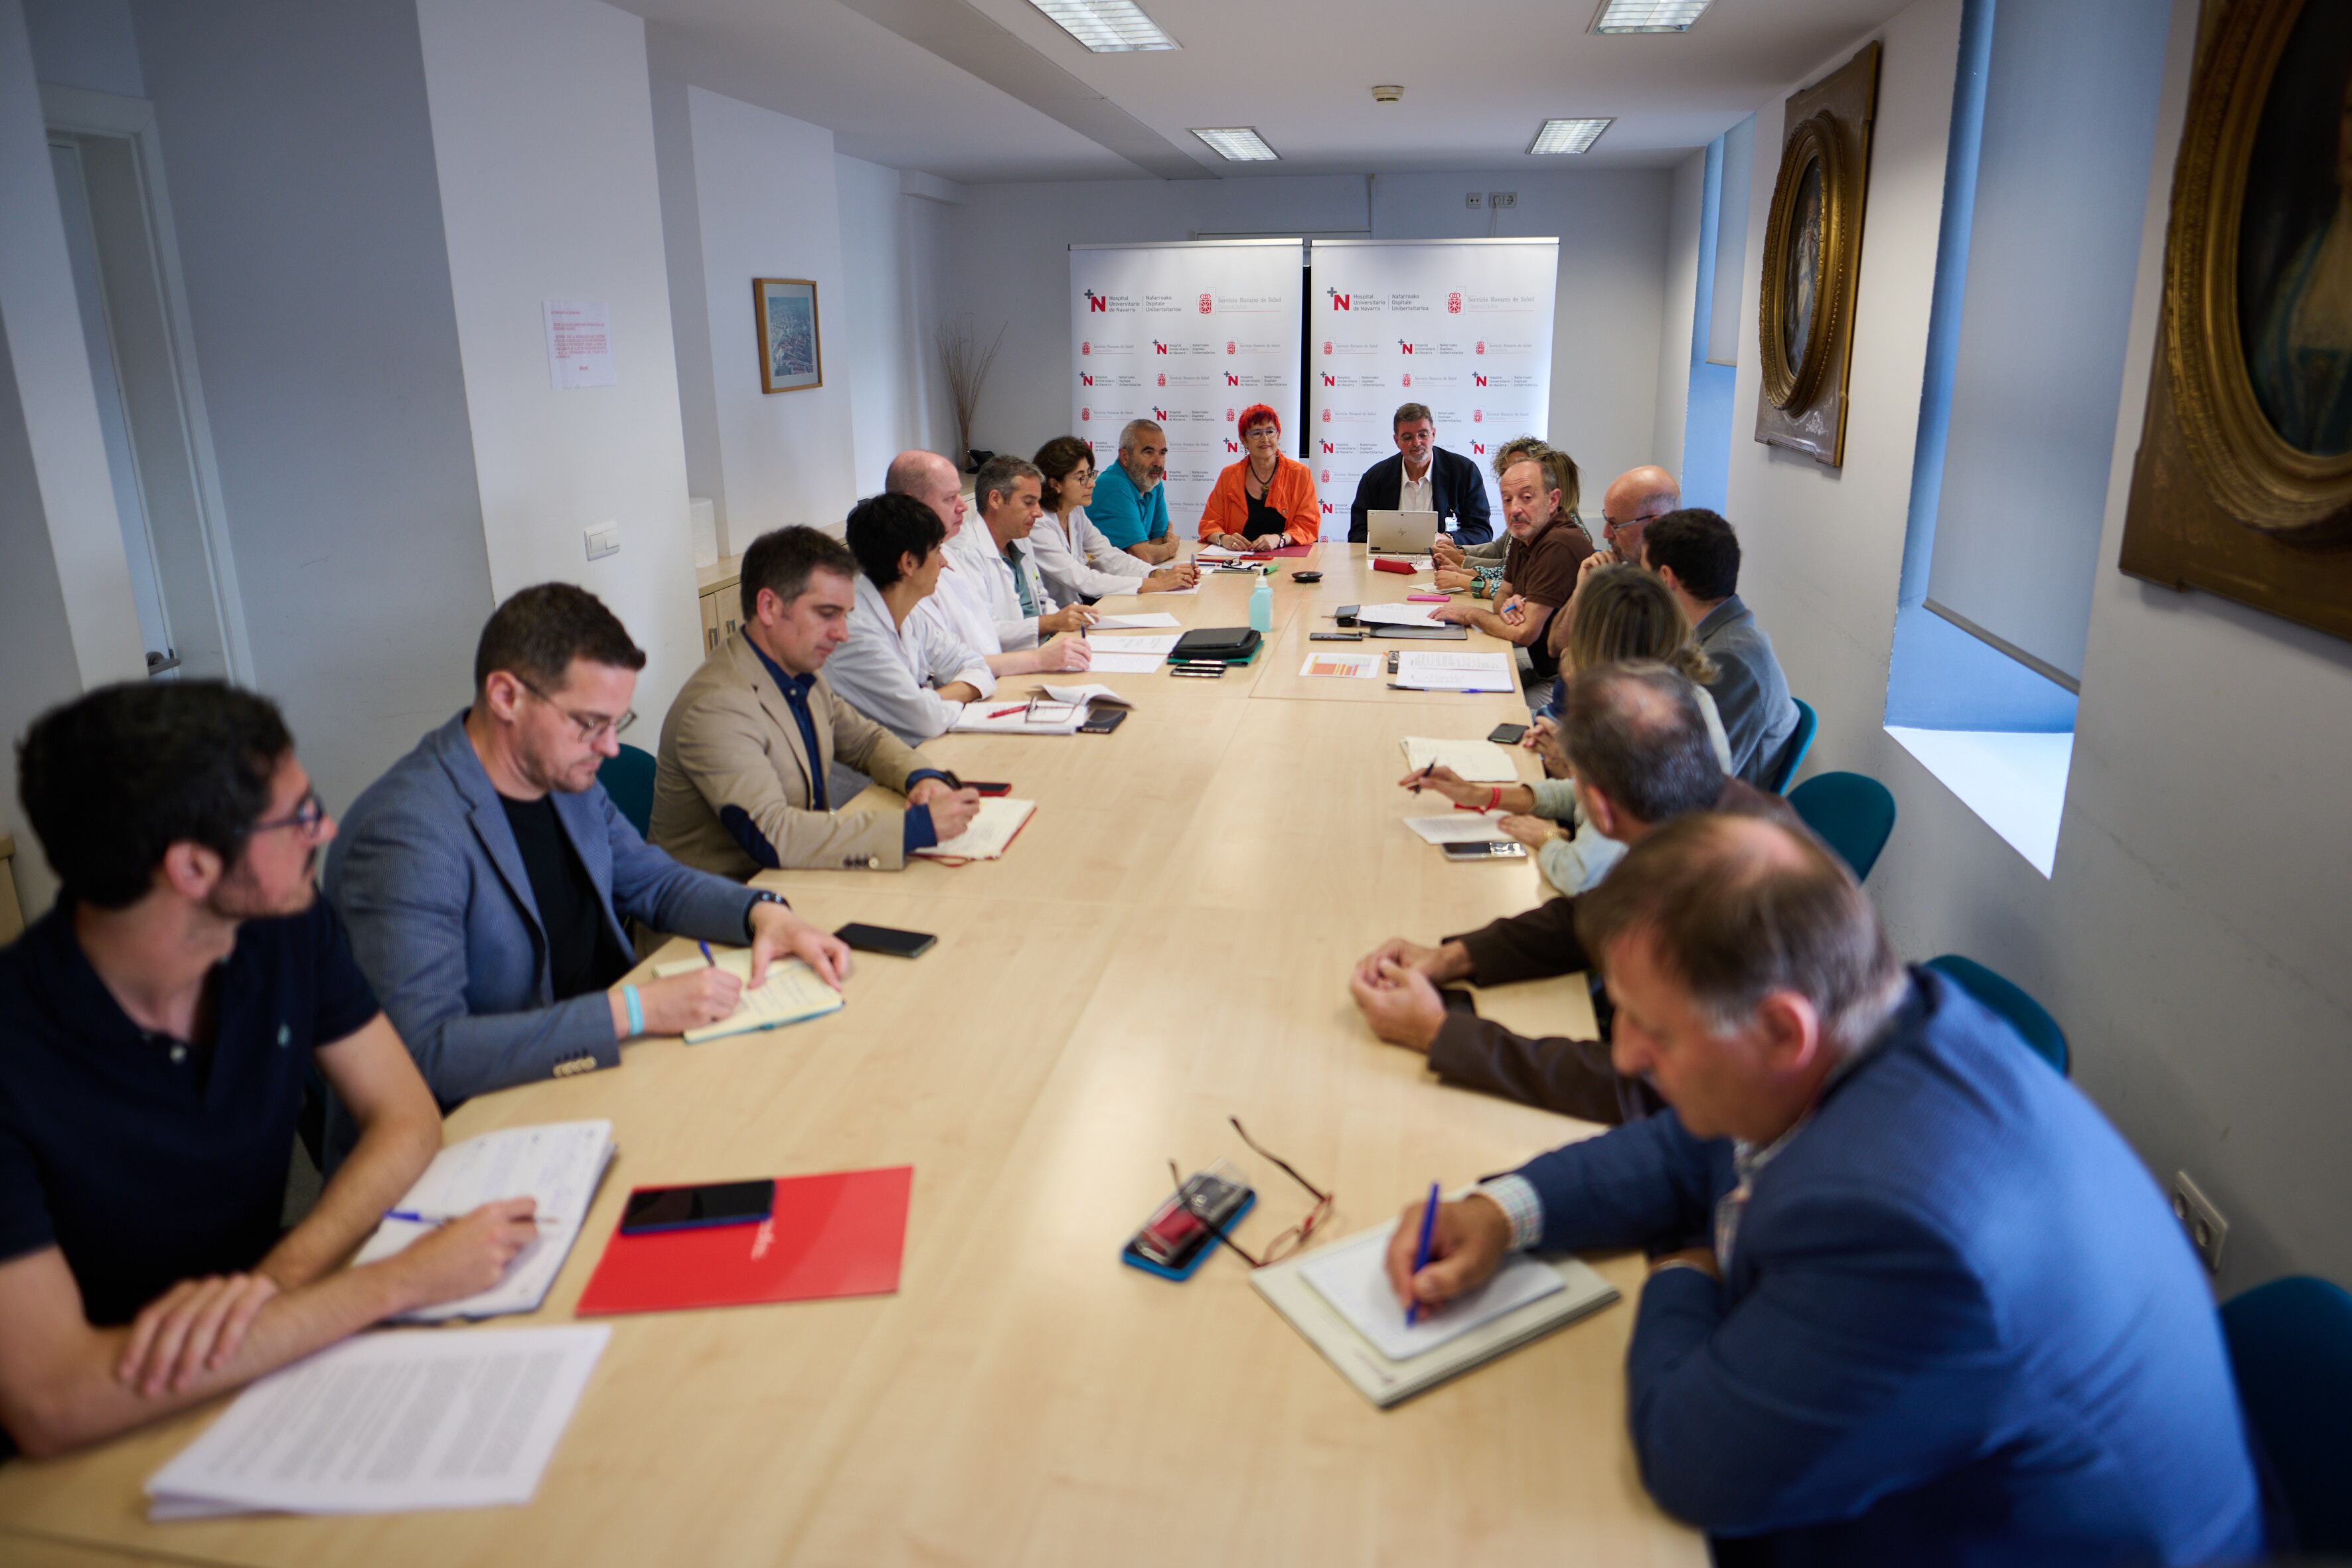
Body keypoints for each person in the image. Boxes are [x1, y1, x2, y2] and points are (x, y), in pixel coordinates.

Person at [1381, 813, 2266, 1565]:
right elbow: (1689, 1149)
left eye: (1650, 1030)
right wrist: (1504, 1210)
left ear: (1778, 1030)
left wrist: (1683, 1271)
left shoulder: (1902, 1236)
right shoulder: (1886, 1013)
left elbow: (1695, 1464)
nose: (1622, 1057)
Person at [0, 683, 538, 1459]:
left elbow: (406, 1115)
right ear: (190, 865)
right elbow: (51, 1399)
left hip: (263, 1368)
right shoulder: (18, 1051)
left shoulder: (282, 925)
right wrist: (401, 1282)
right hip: (98, 1443)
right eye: (296, 816)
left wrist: (277, 1283)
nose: (324, 826)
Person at [327, 584, 853, 1139]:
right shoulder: (405, 836)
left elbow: (654, 882)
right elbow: (426, 1052)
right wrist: (632, 1010)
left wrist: (764, 914)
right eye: (590, 723)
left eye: (616, 724)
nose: (607, 749)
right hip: (487, 1123)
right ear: (506, 697)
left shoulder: (559, 775)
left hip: (601, 1069)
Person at [1351, 663, 1782, 1123]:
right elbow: (1589, 915)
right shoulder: (1698, 805)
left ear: (1595, 807)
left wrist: (1437, 1034)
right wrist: (1452, 958)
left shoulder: (1729, 895)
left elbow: (1642, 1087)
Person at [649, 526, 982, 877]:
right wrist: (913, 829)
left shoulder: (797, 673)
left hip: (793, 882)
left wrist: (921, 778)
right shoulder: (717, 707)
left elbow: (867, 742)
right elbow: (772, 834)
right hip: (718, 913)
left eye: (845, 614)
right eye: (827, 614)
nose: (842, 633)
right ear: (768, 607)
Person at [1409, 566, 1728, 896]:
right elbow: (1586, 795)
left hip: (1645, 907)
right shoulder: (1678, 696)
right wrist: (1486, 796)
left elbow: (1578, 872)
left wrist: (1549, 838)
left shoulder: (1644, 723)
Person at [883, 449, 1090, 678]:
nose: (963, 506)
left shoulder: (955, 559)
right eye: (951, 498)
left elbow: (969, 650)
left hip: (1008, 669)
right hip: (1002, 675)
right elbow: (961, 657)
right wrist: (1049, 629)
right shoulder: (956, 556)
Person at [823, 492, 1000, 745]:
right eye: (938, 550)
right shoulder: (855, 634)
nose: (944, 562)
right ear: (908, 563)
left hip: (922, 753)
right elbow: (925, 722)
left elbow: (977, 666)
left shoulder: (908, 612)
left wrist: (931, 702)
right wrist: (935, 705)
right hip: (869, 782)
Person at [1640, 509, 1800, 788]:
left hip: (1709, 822)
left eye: (1644, 576)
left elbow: (1685, 783)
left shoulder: (1727, 659)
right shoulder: (1717, 636)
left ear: (1666, 578)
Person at [1431, 445, 1591, 668]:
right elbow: (1502, 598)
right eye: (1507, 500)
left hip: (1564, 679)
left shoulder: (1559, 544)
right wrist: (1510, 606)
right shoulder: (1523, 532)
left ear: (1553, 500)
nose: (1515, 509)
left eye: (1526, 497)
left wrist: (1469, 614)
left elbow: (1523, 633)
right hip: (1539, 660)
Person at [945, 455, 1099, 656]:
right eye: (1029, 502)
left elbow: (1041, 599)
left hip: (1046, 648)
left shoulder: (1020, 538)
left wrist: (1063, 620)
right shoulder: (963, 554)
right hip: (1008, 667)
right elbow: (980, 633)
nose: (1039, 513)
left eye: (1038, 502)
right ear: (996, 499)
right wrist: (1050, 623)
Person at [1027, 436, 1197, 603]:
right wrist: (1157, 583)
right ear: (1055, 484)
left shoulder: (1075, 511)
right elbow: (1081, 578)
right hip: (1052, 623)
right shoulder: (1038, 524)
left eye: (1090, 474)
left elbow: (1107, 555)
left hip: (1074, 612)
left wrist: (1155, 574)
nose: (1092, 484)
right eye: (1081, 478)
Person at [1346, 402, 1493, 545]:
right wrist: (1388, 542)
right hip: (1390, 563)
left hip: (1445, 563)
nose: (1416, 443)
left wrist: (1448, 539)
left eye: (1422, 435)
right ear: (1396, 441)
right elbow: (1357, 535)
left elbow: (1482, 531)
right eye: (1407, 437)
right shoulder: (1375, 478)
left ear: (1433, 434)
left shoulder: (1464, 472)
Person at [1200, 404, 1318, 549]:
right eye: (1256, 433)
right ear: (1244, 440)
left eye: (1270, 431)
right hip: (1238, 561)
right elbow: (1209, 524)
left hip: (1287, 559)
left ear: (1278, 435)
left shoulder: (1300, 474)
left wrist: (1278, 539)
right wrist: (1223, 539)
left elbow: (1308, 525)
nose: (1265, 439)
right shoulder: (1229, 475)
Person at [1086, 419, 1180, 564]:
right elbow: (1143, 557)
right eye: (1149, 452)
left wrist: (1153, 550)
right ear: (1125, 456)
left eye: (1162, 453)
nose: (1158, 462)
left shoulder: (1153, 484)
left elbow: (1159, 539)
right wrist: (1170, 548)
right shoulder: (1114, 486)